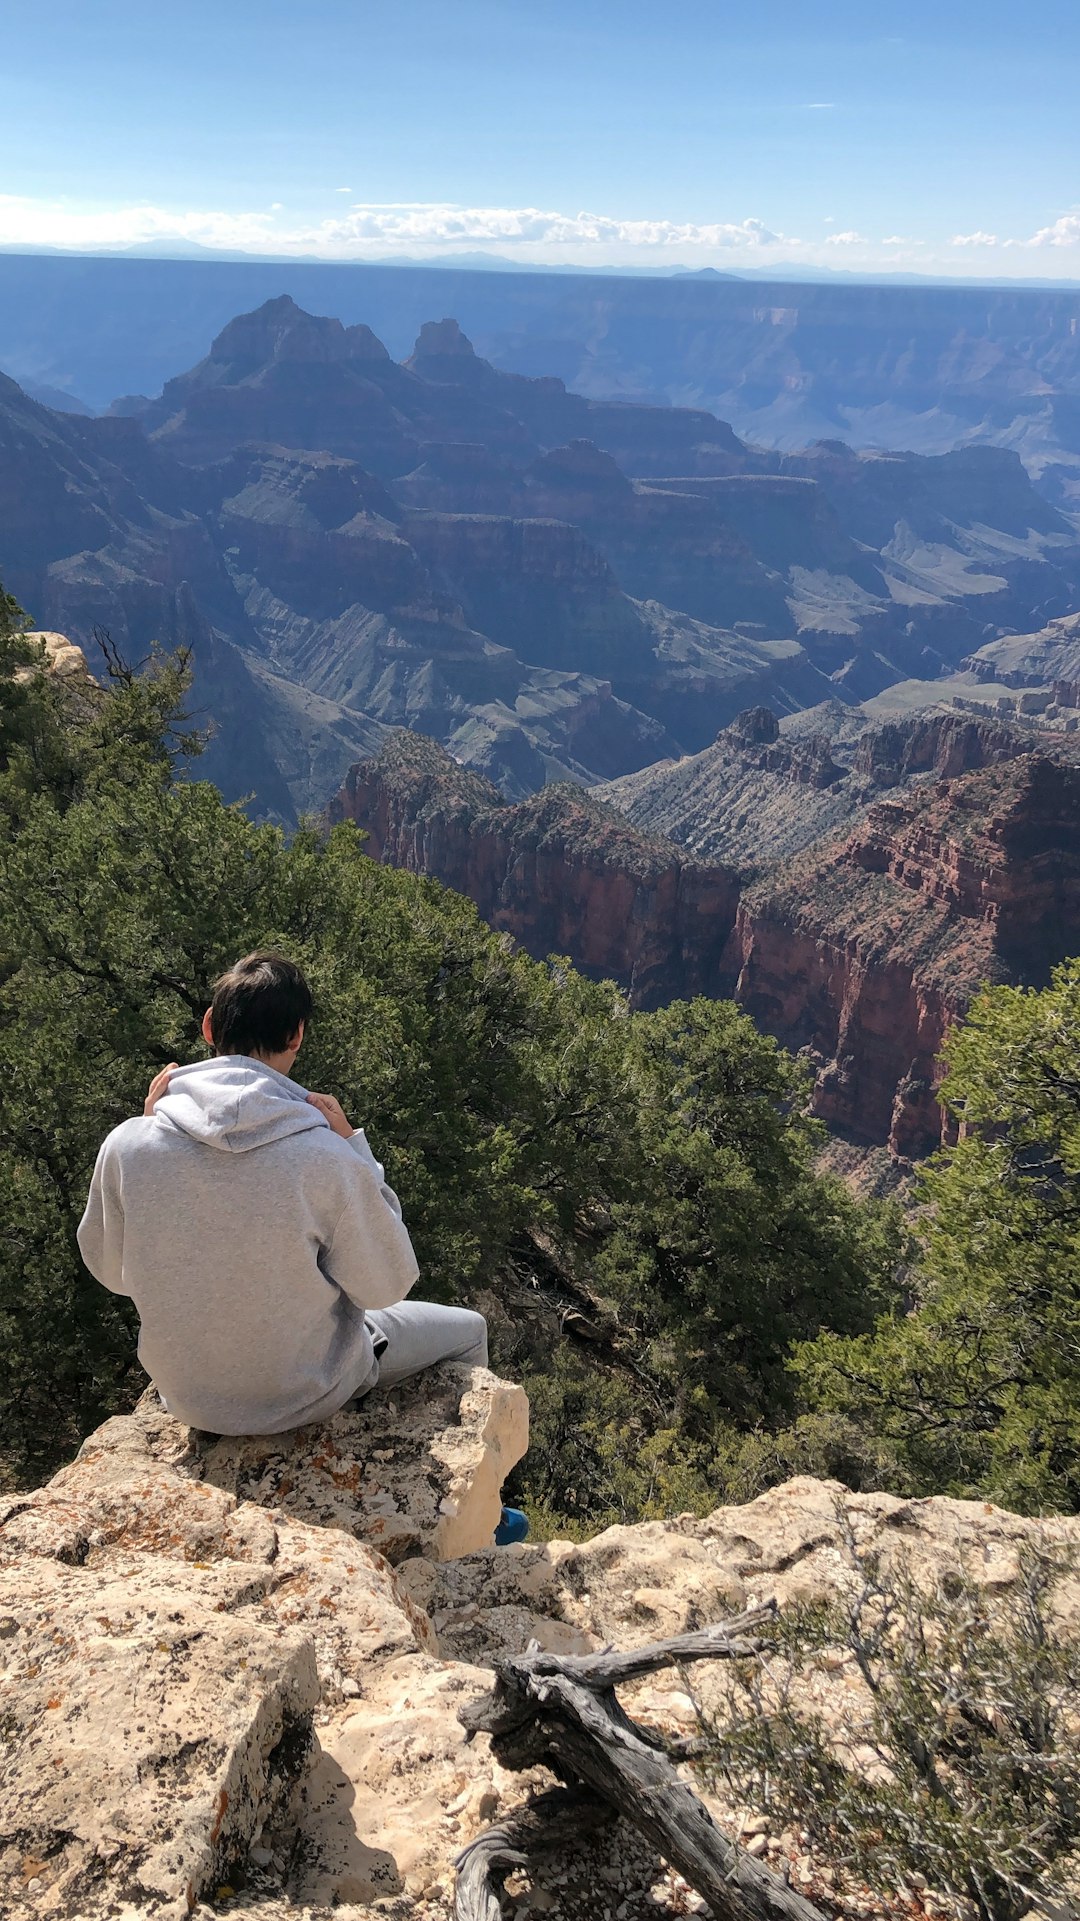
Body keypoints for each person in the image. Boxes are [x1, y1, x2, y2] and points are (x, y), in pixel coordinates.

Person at [76, 951, 493, 1438]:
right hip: (305, 1395)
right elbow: (386, 1285)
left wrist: (148, 1127)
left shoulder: (127, 1145)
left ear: (210, 1027)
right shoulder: (324, 1158)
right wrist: (356, 1151)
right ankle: (488, 1509)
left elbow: (112, 1273)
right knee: (471, 1331)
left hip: (188, 1398)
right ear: (296, 1034)